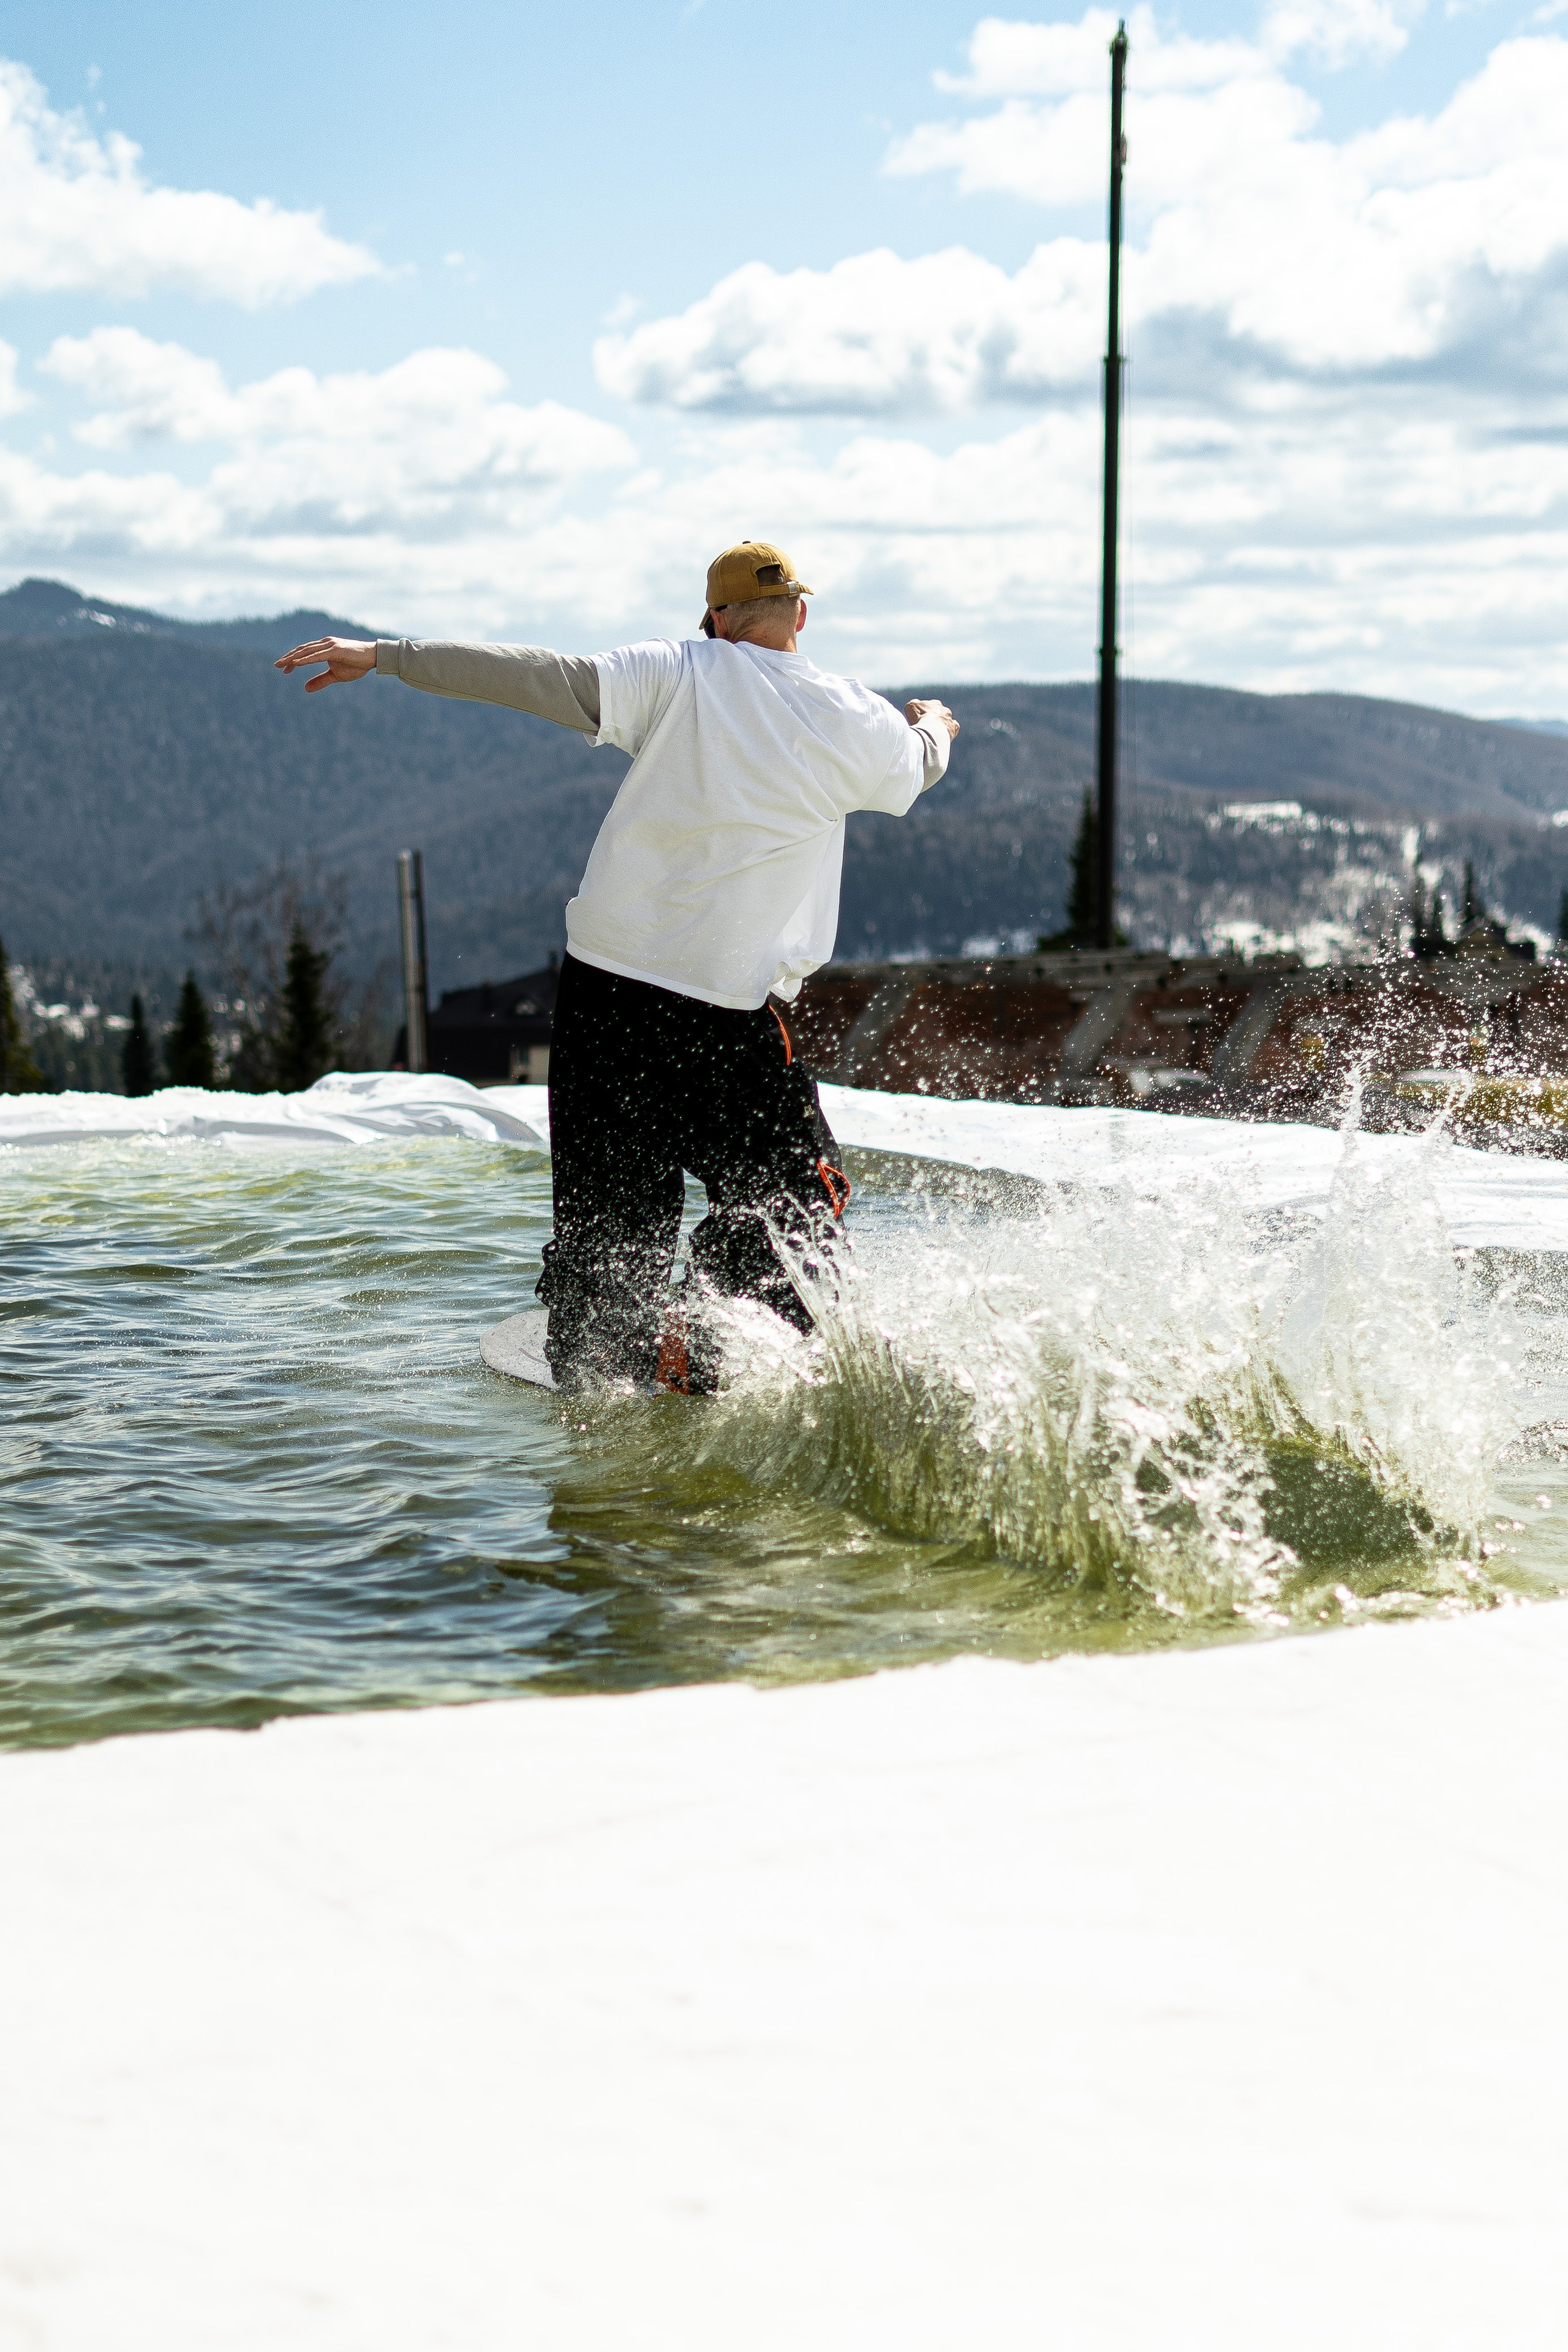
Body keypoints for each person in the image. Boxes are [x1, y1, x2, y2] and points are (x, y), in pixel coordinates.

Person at [276, 540, 959, 1390]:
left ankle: (607, 1343)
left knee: (610, 1234)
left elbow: (532, 676)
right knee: (792, 1207)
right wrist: (935, 721)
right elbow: (922, 762)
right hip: (726, 1014)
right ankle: (713, 1330)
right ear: (802, 616)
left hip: (606, 997)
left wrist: (387, 656)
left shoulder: (676, 671)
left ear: (717, 620)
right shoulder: (854, 719)